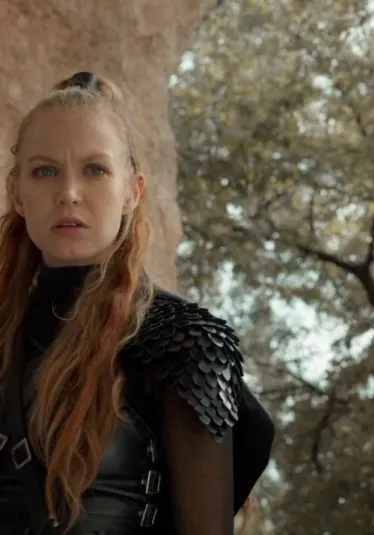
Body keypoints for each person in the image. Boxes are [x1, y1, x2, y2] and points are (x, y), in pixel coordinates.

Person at [0, 71, 275, 535]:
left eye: (95, 170)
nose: (68, 193)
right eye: (45, 171)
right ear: (17, 194)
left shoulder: (183, 343)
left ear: (133, 190)